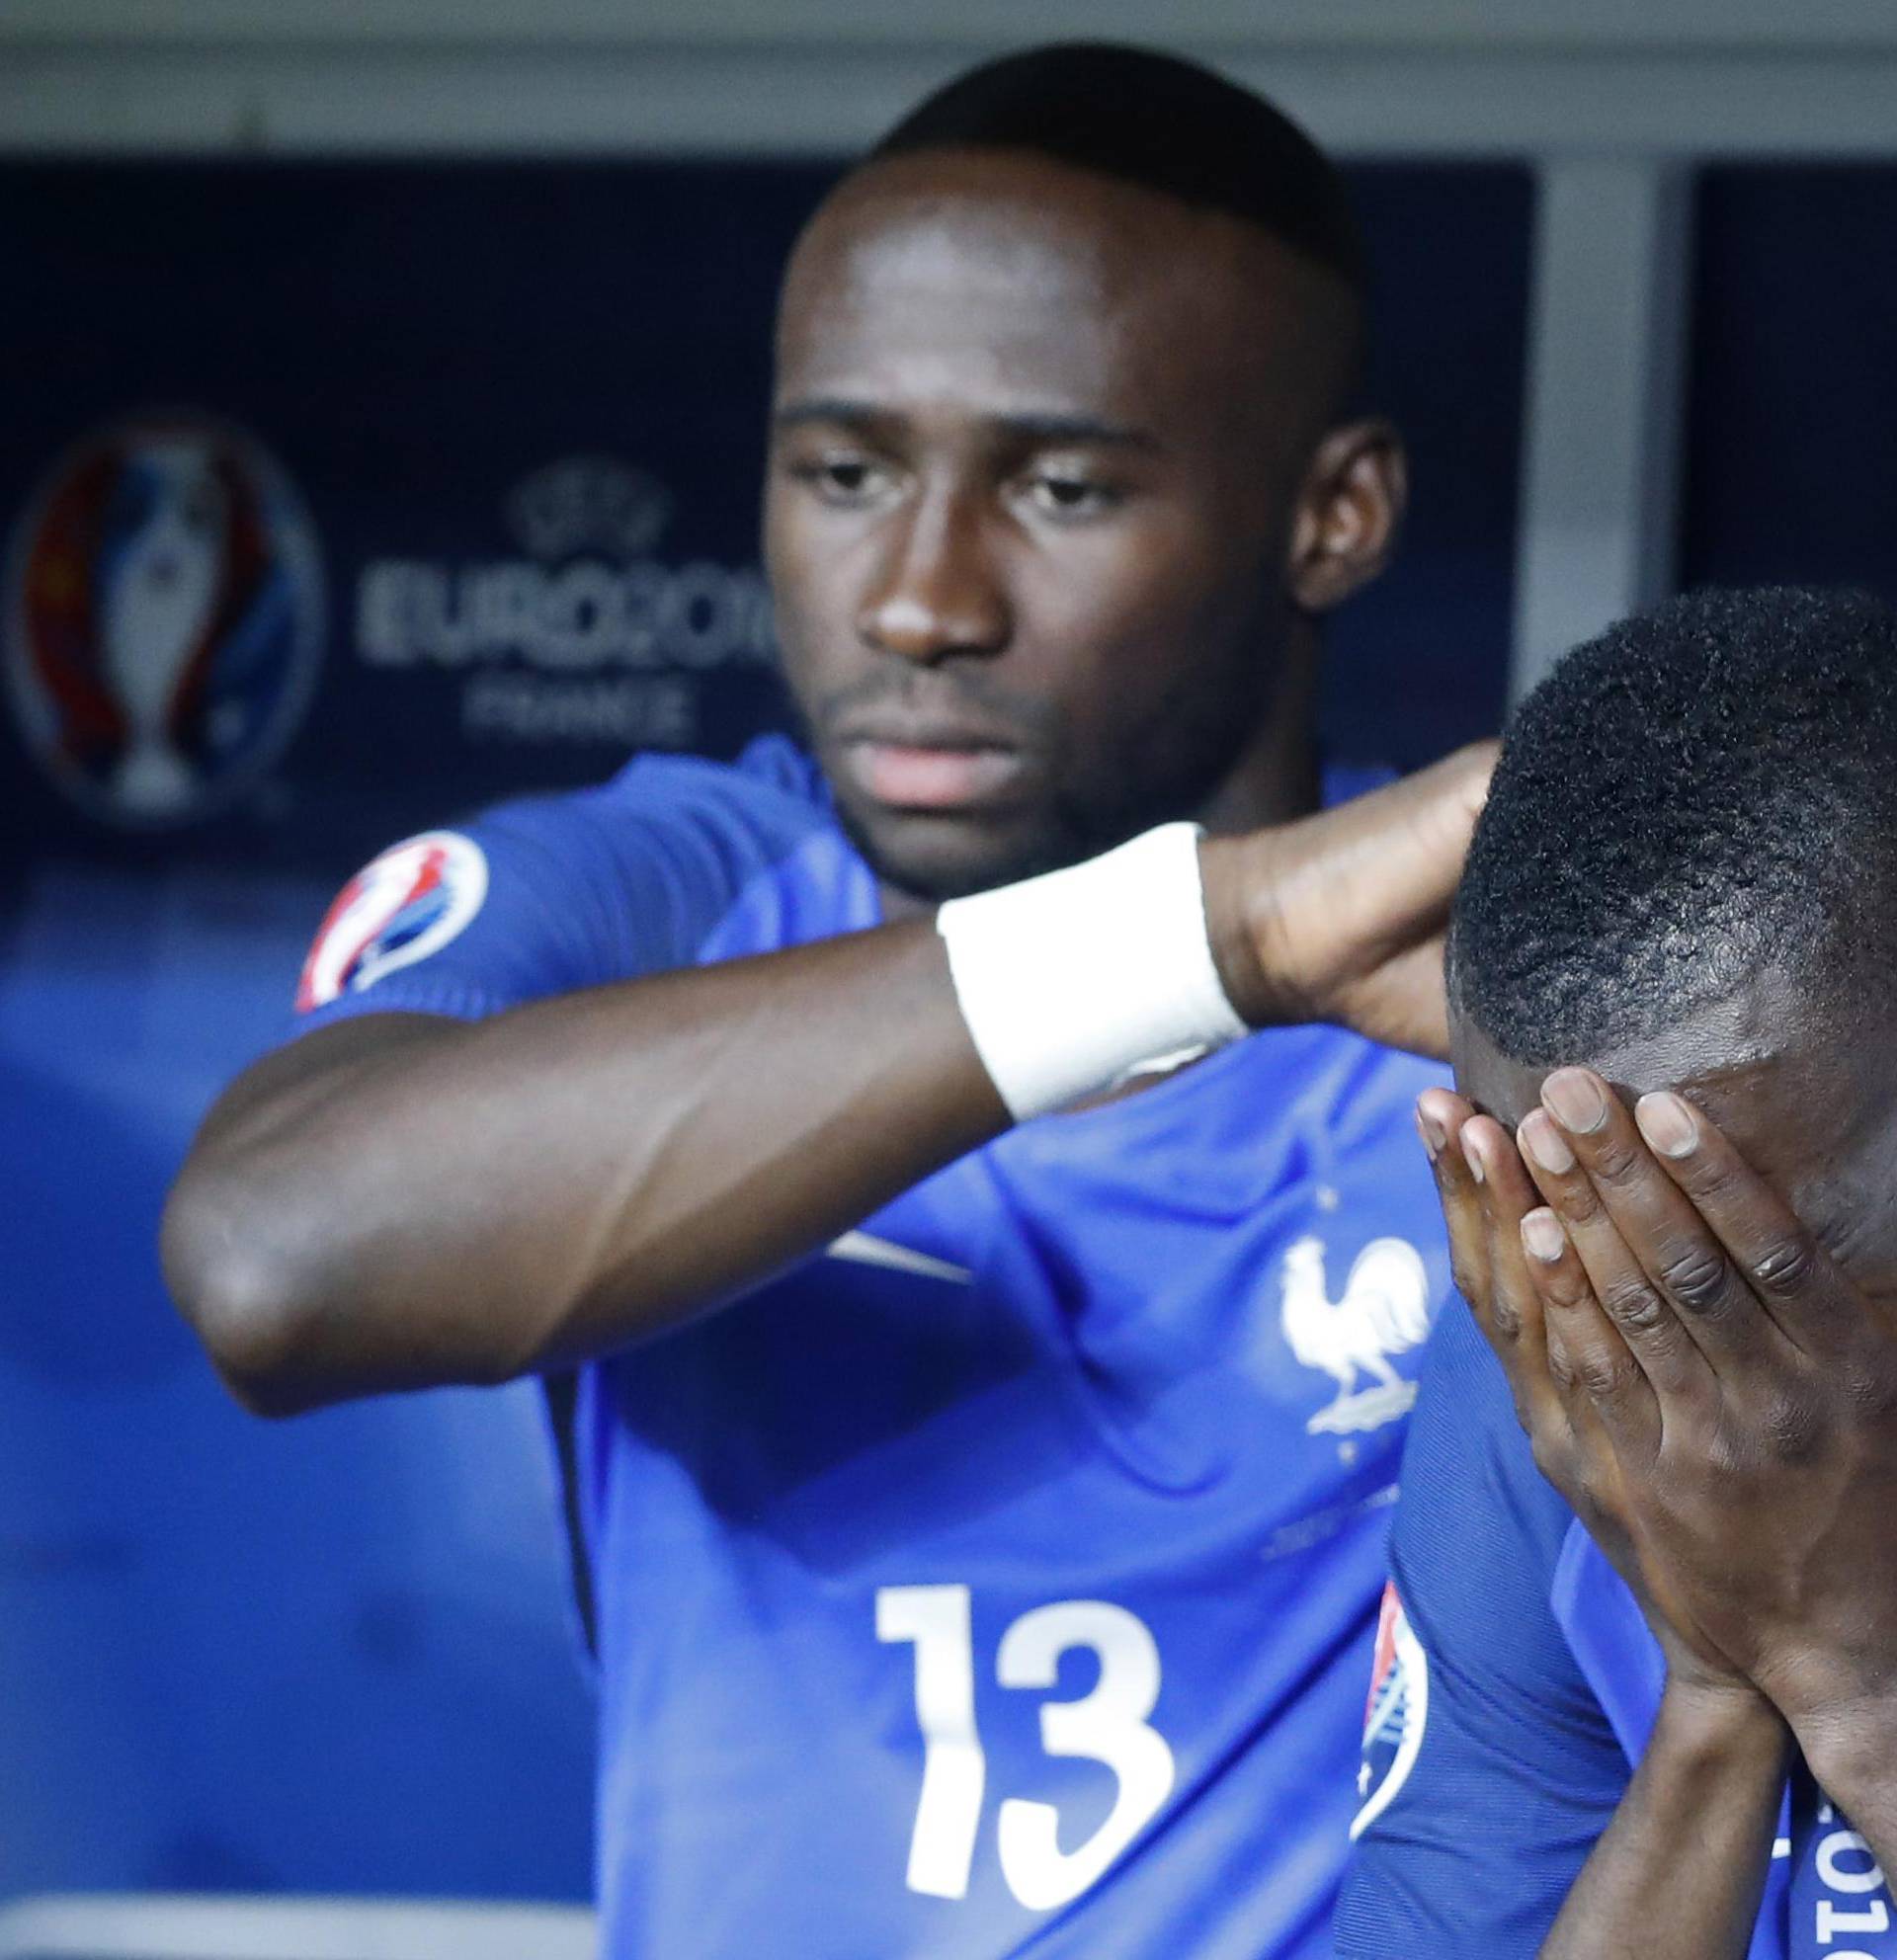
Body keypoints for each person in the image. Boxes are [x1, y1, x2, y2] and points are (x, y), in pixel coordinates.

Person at [164, 43, 1490, 1960]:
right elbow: (276, 1257)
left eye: (1058, 482)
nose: (919, 599)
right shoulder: (661, 893)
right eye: (848, 471)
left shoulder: (1486, 989)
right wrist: (1219, 940)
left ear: (1333, 515)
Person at [1336, 585, 1897, 1957]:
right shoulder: (1571, 1359)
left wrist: (1857, 1694)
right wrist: (1713, 1694)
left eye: (1779, 1259)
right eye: (1580, 1229)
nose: (1683, 1369)